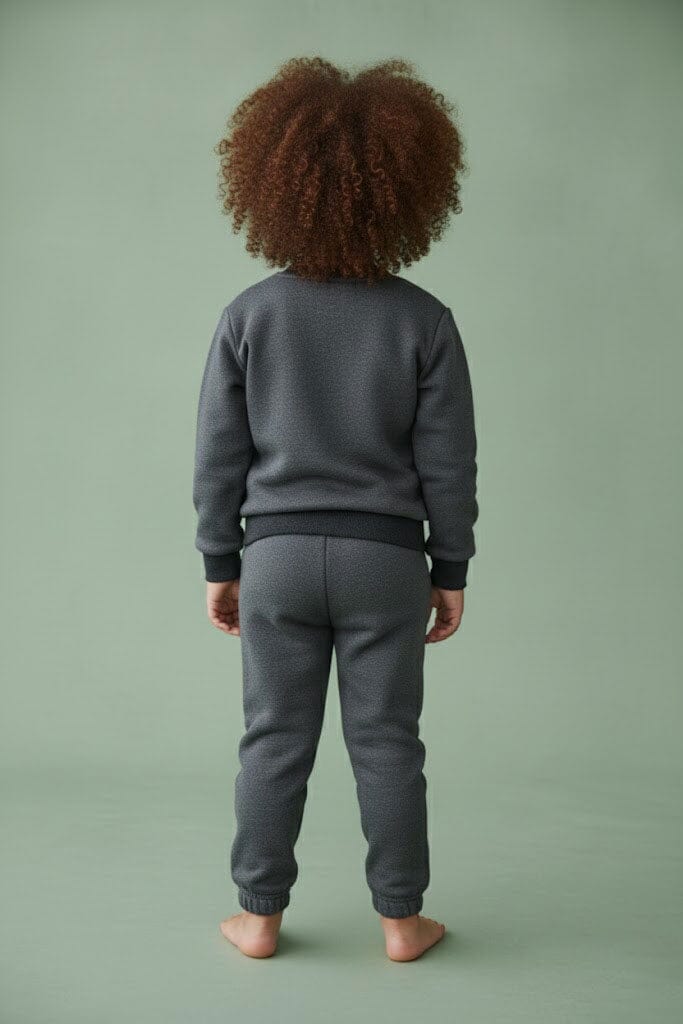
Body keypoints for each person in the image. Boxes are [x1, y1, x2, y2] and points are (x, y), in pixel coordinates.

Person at [192, 56, 478, 961]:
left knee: (272, 741)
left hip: (274, 558)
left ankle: (257, 919)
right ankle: (401, 922)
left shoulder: (248, 315)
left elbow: (218, 459)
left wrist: (220, 563)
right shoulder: (425, 321)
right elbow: (448, 465)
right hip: (385, 563)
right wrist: (449, 569)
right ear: (405, 191)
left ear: (274, 185)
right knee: (388, 743)